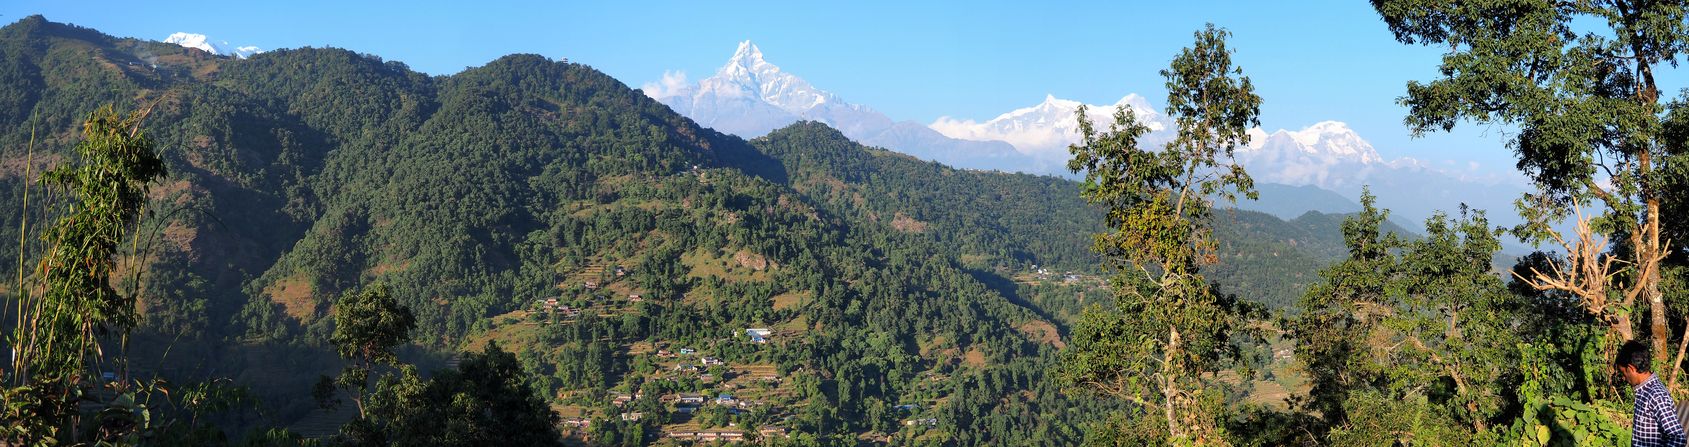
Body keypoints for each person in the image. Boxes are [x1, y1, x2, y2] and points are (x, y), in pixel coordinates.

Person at [1617, 340, 1686, 447]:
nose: (1623, 378)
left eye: (1623, 373)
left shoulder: (1656, 395)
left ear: (1631, 368)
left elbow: (1677, 438)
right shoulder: (1643, 391)